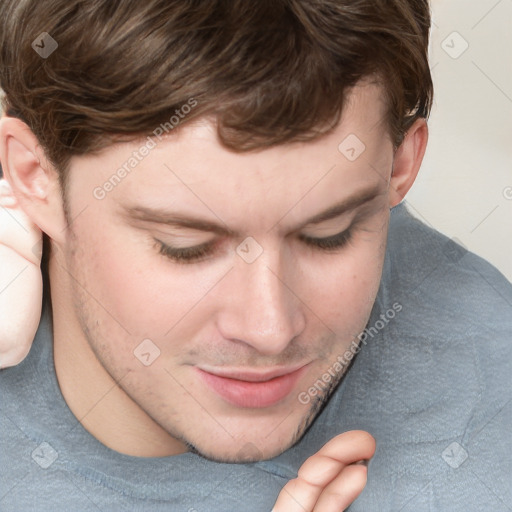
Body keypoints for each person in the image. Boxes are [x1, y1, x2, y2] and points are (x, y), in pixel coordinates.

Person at [0, 1, 510, 510]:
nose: (270, 329)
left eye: (328, 234)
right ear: (32, 177)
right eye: (188, 247)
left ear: (400, 164)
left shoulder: (484, 423)